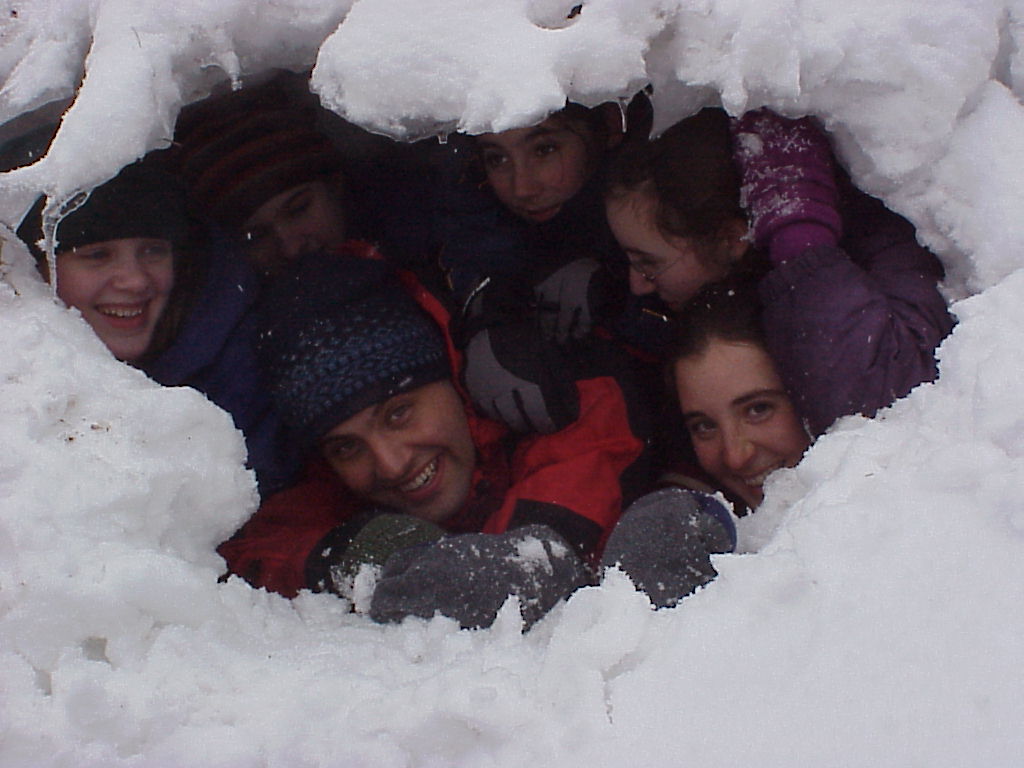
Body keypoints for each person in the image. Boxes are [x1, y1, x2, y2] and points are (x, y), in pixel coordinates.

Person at [217, 244, 652, 630]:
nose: (390, 464)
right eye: (347, 447)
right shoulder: (332, 487)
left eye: (398, 414)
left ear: (451, 378)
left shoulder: (559, 407)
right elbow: (250, 547)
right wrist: (344, 554)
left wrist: (438, 574)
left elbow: (522, 573)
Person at [604, 106, 956, 435]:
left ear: (731, 238)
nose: (637, 285)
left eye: (648, 263)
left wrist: (799, 242)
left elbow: (876, 410)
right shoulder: (689, 304)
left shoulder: (881, 246)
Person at [16, 154, 299, 496]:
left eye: (153, 251)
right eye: (97, 255)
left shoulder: (251, 374)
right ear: (35, 273)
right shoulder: (16, 396)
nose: (136, 280)